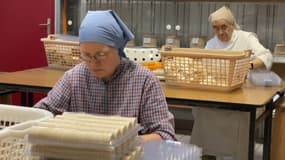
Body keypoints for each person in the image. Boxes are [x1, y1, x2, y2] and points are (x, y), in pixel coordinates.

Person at [34, 10, 176, 143]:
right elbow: (42, 113)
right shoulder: (74, 78)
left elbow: (164, 134)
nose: (93, 62)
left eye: (101, 55)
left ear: (118, 49)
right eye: (86, 55)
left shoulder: (144, 81)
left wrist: (125, 144)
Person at [190, 6, 272, 160]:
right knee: (202, 111)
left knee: (239, 115)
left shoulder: (246, 38)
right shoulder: (211, 44)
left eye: (224, 27)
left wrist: (250, 65)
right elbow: (204, 67)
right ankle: (207, 153)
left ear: (232, 25)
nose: (220, 32)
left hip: (244, 93)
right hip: (220, 92)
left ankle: (240, 155)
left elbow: (266, 55)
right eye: (216, 28)